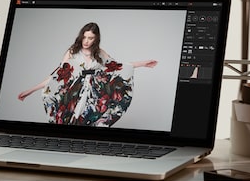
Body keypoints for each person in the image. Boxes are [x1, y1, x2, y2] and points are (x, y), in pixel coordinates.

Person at [17, 22, 157, 127]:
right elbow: (56, 76)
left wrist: (143, 63)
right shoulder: (72, 52)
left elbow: (117, 67)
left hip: (94, 94)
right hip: (75, 92)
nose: (86, 41)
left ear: (96, 39)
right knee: (71, 121)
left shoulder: (100, 52)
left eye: (90, 38)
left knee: (90, 121)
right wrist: (30, 91)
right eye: (84, 37)